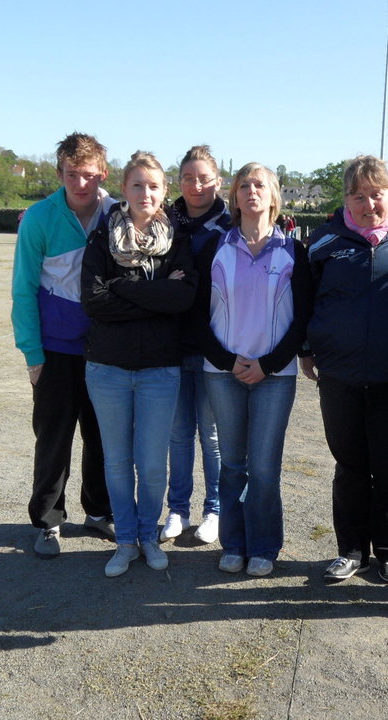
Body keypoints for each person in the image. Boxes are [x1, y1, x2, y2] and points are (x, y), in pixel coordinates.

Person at [303, 155, 388, 584]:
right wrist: (307, 348)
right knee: (349, 465)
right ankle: (350, 551)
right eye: (358, 196)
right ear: (346, 199)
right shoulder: (324, 240)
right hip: (340, 376)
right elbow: (304, 300)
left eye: (376, 194)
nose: (368, 204)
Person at [82, 151, 197, 577]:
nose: (145, 193)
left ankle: (148, 535)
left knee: (151, 464)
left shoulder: (179, 241)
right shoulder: (101, 239)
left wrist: (122, 288)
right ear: (124, 190)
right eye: (136, 185)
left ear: (164, 191)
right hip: (107, 369)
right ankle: (125, 540)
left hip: (160, 370)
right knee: (116, 462)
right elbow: (93, 300)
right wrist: (154, 293)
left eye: (153, 186)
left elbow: (182, 299)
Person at [197, 162, 313, 577]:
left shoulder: (294, 251)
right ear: (234, 197)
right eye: (243, 185)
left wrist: (267, 365)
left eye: (259, 184)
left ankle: (264, 546)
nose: (251, 191)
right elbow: (197, 316)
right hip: (221, 373)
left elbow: (302, 319)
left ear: (273, 197)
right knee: (232, 464)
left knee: (264, 467)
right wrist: (230, 362)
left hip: (274, 378)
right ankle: (234, 543)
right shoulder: (215, 247)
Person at [11, 132, 117, 558]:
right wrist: (32, 354)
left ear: (102, 174)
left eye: (89, 175)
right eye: (72, 174)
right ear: (59, 174)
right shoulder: (39, 217)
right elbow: (23, 290)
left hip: (105, 349)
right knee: (53, 438)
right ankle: (49, 521)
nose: (81, 183)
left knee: (102, 437)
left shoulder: (117, 212)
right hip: (55, 351)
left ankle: (99, 512)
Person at [160, 145, 232, 545]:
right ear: (179, 181)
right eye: (189, 178)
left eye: (204, 178)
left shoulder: (231, 224)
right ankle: (177, 509)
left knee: (212, 435)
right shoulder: (164, 221)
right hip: (171, 344)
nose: (197, 185)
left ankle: (215, 510)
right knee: (178, 433)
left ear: (217, 181)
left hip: (214, 346)